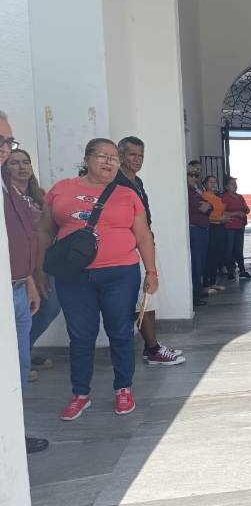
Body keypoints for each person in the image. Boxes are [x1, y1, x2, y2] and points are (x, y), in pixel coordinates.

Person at [36, 138, 159, 420]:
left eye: (114, 158)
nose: (109, 162)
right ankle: (80, 394)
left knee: (120, 332)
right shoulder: (62, 190)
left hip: (120, 274)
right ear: (86, 159)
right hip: (73, 277)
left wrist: (151, 272)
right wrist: (40, 269)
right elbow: (44, 231)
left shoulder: (127, 194)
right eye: (102, 156)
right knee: (80, 336)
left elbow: (143, 235)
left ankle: (123, 388)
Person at [0, 110, 49, 452]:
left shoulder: (8, 188)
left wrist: (28, 279)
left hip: (18, 288)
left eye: (8, 141)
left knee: (19, 366)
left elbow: (19, 239)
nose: (5, 147)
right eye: (0, 141)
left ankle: (13, 435)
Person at [116, 136, 184, 365]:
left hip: (144, 243)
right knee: (143, 297)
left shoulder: (137, 181)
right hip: (129, 247)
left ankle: (151, 346)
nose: (137, 160)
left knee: (150, 295)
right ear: (121, 155)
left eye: (141, 156)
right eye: (132, 155)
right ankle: (152, 349)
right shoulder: (116, 182)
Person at [5, 149, 59, 379]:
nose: (22, 167)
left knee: (50, 308)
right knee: (29, 310)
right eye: (14, 163)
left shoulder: (40, 195)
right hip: (23, 265)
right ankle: (18, 358)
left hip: (46, 261)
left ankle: (25, 350)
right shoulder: (7, 197)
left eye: (25, 162)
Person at [187, 162, 211, 306]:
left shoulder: (197, 190)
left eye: (196, 175)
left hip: (202, 228)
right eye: (191, 175)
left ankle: (198, 288)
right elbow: (203, 208)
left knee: (201, 261)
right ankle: (195, 293)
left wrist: (208, 205)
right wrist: (208, 206)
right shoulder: (188, 192)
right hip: (195, 229)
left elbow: (210, 205)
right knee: (196, 262)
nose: (194, 178)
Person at [201, 175, 231, 291]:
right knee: (209, 256)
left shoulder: (218, 198)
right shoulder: (204, 196)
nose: (213, 184)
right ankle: (206, 284)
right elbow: (204, 217)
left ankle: (213, 282)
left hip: (220, 228)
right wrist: (219, 219)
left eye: (215, 182)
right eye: (210, 182)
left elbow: (221, 212)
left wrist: (225, 216)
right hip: (211, 228)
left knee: (216, 256)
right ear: (205, 184)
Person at [221, 176, 251, 280]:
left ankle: (242, 270)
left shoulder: (240, 197)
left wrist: (246, 210)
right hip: (229, 226)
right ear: (226, 186)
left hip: (240, 226)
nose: (235, 186)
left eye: (235, 184)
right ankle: (230, 271)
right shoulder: (225, 197)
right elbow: (222, 212)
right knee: (229, 249)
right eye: (232, 184)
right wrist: (236, 213)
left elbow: (246, 208)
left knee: (239, 249)